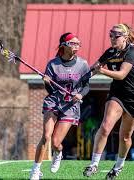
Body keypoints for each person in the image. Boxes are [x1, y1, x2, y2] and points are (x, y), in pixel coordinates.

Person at [83, 23, 134, 179]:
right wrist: (78, 80)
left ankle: (118, 166)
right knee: (105, 127)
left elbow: (121, 74)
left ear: (124, 37)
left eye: (116, 36)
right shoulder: (110, 52)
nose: (112, 38)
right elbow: (93, 69)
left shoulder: (132, 52)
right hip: (117, 95)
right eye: (110, 35)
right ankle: (94, 164)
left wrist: (102, 70)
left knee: (125, 137)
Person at [29, 32, 90, 180]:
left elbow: (86, 86)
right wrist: (47, 82)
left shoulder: (83, 64)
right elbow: (50, 91)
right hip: (54, 103)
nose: (76, 46)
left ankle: (58, 153)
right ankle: (35, 171)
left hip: (71, 106)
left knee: (56, 143)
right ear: (64, 45)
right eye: (73, 43)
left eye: (78, 44)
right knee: (46, 136)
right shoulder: (53, 64)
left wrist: (80, 95)